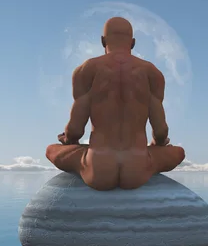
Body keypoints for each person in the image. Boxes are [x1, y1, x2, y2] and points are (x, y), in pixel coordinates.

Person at [45, 17, 185, 190]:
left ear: (103, 41)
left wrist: (68, 140)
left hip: (97, 169)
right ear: (132, 43)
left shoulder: (86, 70)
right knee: (179, 152)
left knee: (51, 149)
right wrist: (158, 144)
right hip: (138, 169)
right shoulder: (152, 73)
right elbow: (161, 131)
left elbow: (75, 130)